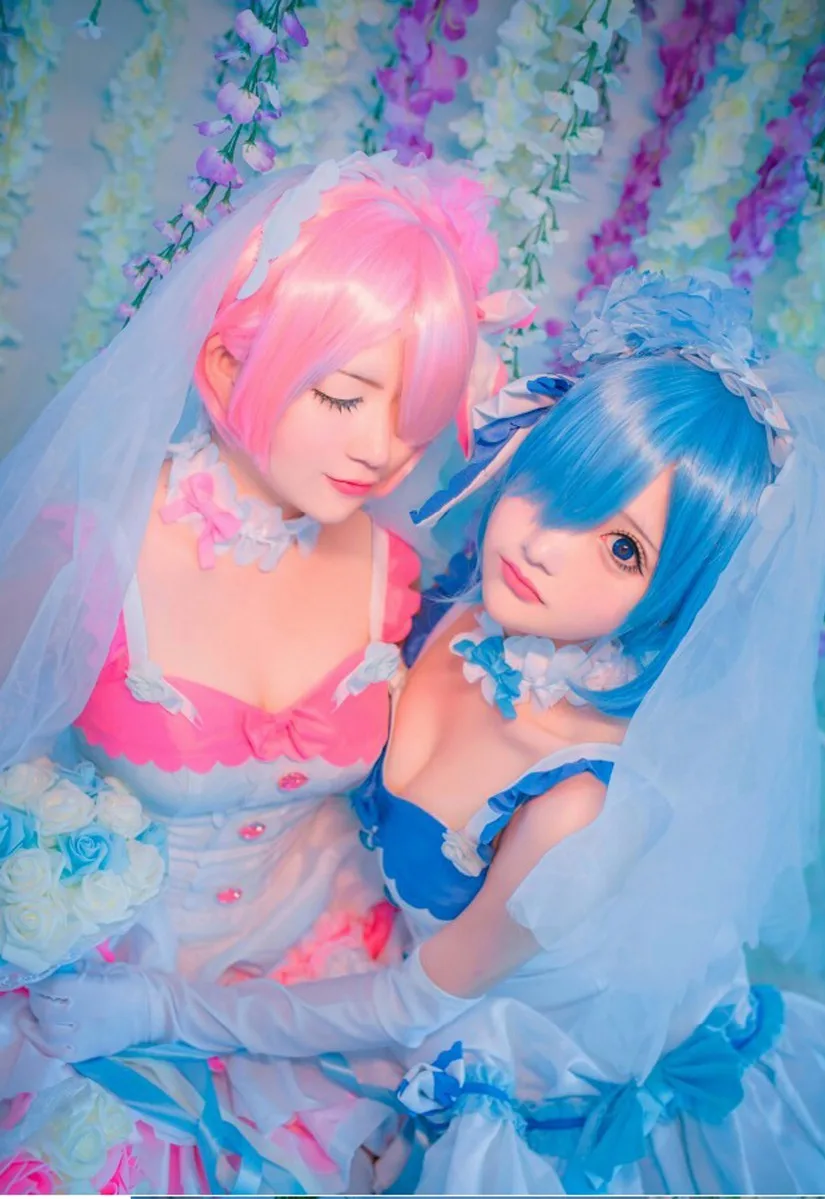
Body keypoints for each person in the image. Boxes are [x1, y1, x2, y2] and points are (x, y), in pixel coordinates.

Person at [25, 272, 825, 1195]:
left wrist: (166, 1006)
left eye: (623, 549)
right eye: (559, 480)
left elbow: (416, 1004)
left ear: (679, 597)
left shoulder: (579, 804)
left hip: (537, 1058)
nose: (544, 545)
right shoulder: (476, 604)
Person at [0, 151, 531, 1194]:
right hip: (95, 975)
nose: (382, 449)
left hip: (315, 974)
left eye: (415, 412)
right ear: (223, 363)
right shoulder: (90, 553)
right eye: (343, 395)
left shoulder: (393, 572)